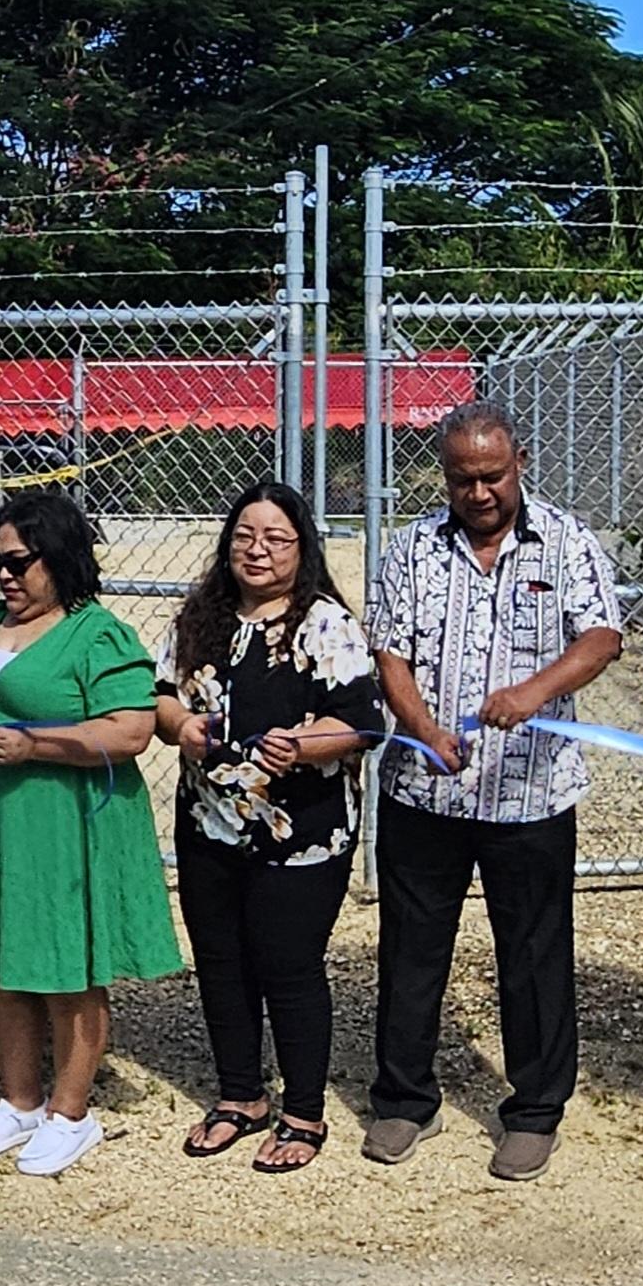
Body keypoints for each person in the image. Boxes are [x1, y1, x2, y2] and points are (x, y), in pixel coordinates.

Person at [367, 402, 625, 1181]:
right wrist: (422, 727)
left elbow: (602, 636)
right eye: (461, 479)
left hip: (530, 794)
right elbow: (390, 652)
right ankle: (405, 1100)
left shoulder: (566, 541)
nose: (477, 493)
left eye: (491, 476)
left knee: (534, 954)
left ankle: (535, 1110)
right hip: (426, 791)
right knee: (412, 950)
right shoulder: (413, 549)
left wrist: (534, 691)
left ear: (520, 464)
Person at [0, 486, 179, 1178]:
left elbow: (130, 730)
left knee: (67, 963)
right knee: (0, 957)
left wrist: (37, 745)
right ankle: (20, 1101)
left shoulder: (98, 635)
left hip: (62, 821)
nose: (4, 576)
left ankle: (71, 1112)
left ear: (59, 559)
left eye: (19, 562)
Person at [155, 478, 384, 1174]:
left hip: (301, 833)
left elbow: (362, 724)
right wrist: (181, 725)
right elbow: (160, 699)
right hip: (209, 824)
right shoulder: (200, 619)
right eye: (245, 536)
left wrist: (306, 745)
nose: (257, 550)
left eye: (276, 539)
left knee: (288, 966)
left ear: (301, 548)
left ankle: (304, 1113)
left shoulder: (325, 625)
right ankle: (240, 1096)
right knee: (220, 960)